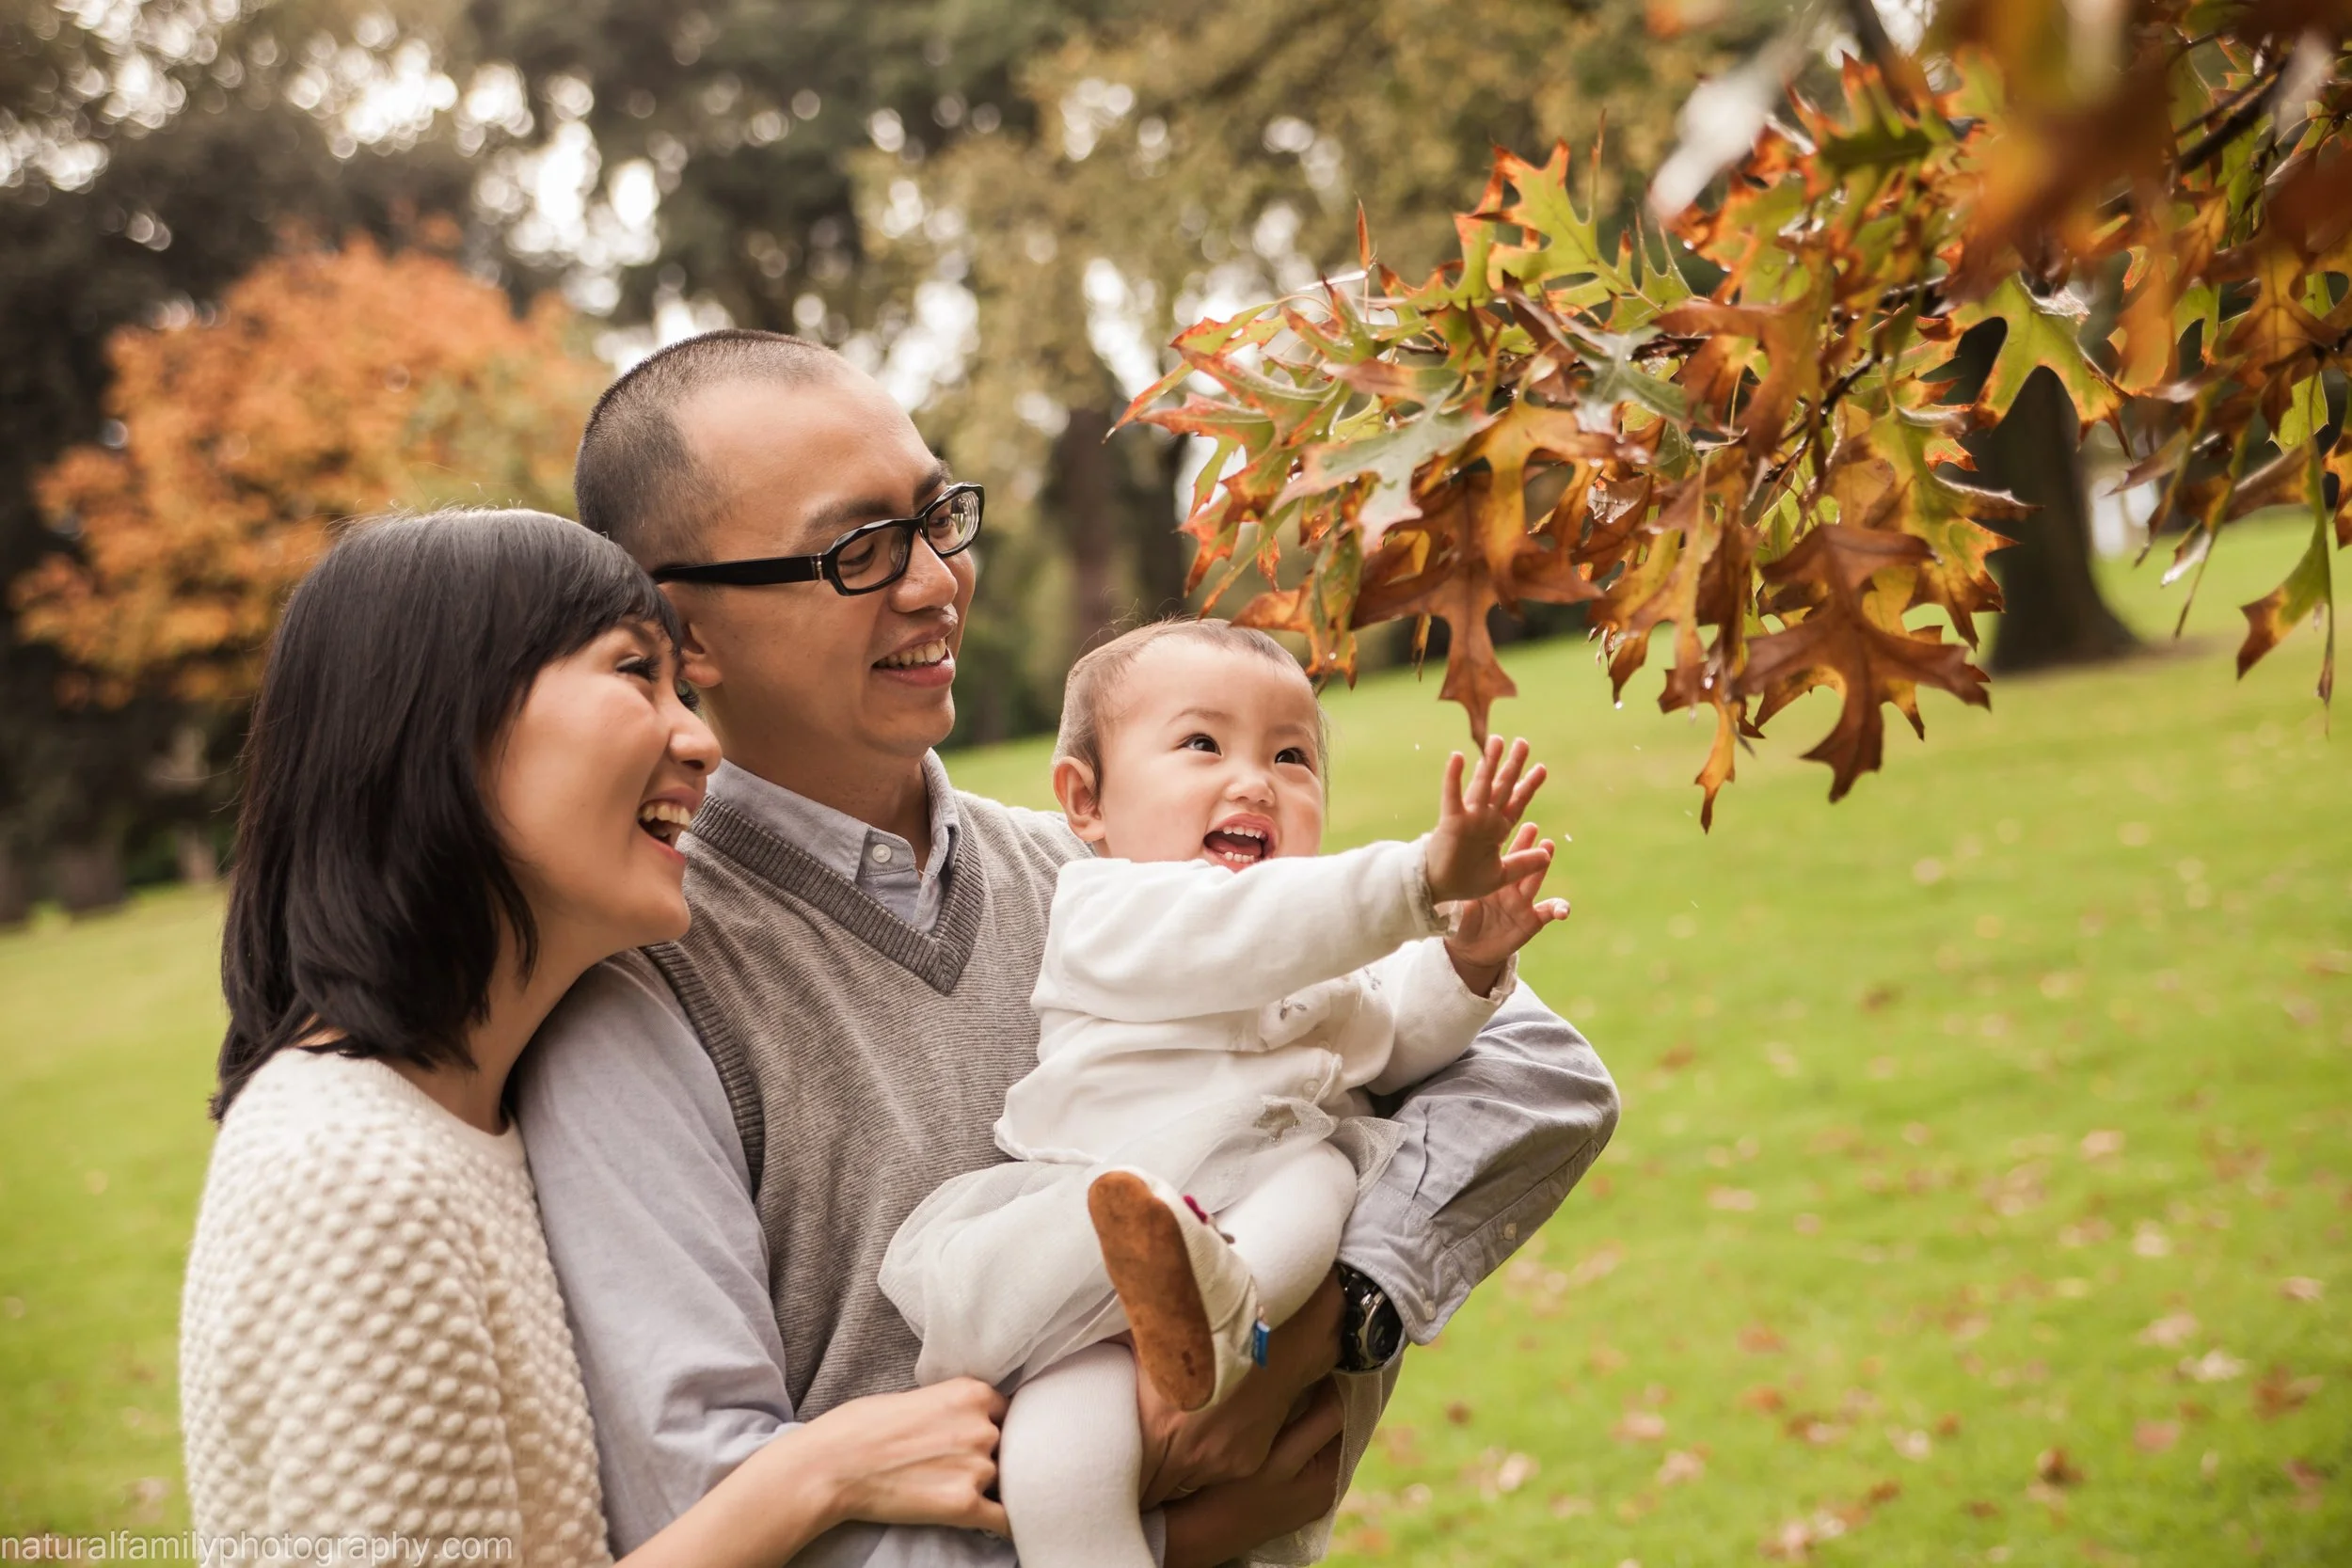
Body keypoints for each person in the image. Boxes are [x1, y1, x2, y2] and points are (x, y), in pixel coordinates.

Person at [513, 329, 1621, 1566]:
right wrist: (1176, 1521)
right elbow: (713, 1508)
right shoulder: (638, 991)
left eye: (939, 515)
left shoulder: (1105, 864)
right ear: (686, 634)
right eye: (860, 548)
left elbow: (1536, 1067)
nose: (935, 580)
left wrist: (1327, 1321)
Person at [181, 511, 1013, 1566]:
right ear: (440, 720)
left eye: (683, 685)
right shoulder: (352, 1169)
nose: (700, 739)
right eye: (634, 670)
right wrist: (814, 1473)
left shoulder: (462, 1123)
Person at [880, 619, 1575, 1568]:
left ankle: (1223, 1301)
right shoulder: (1105, 910)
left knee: (1324, 1171)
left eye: (1291, 756)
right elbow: (1242, 929)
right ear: (1086, 800)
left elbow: (1396, 1039)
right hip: (1101, 1234)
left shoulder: (1321, 946)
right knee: (1053, 1458)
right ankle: (1194, 1312)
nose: (1254, 780)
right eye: (1202, 743)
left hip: (1258, 1225)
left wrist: (1467, 959)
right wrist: (1414, 880)